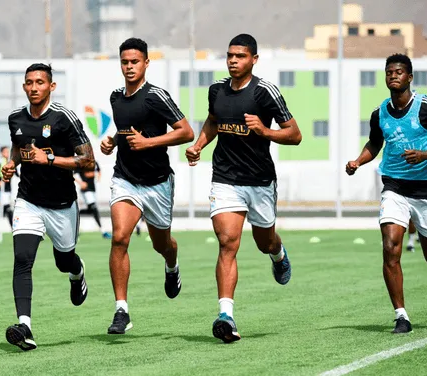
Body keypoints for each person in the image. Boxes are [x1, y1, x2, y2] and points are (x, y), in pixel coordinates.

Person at [185, 34, 300, 343]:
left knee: (264, 242)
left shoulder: (265, 93)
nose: (233, 60)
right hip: (224, 178)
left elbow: (295, 134)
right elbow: (213, 121)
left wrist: (265, 130)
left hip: (260, 181)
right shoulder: (217, 91)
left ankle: (277, 253)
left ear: (254, 60)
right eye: (230, 55)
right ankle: (226, 315)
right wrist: (198, 145)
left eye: (240, 56)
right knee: (227, 242)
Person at [346, 53, 427, 334]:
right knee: (390, 247)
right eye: (389, 72)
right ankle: (401, 315)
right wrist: (358, 162)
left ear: (409, 77)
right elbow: (374, 144)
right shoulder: (380, 113)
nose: (393, 76)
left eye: (398, 72)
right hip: (394, 186)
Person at [100, 37, 194, 335]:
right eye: (125, 62)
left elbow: (186, 132)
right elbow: (124, 129)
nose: (129, 67)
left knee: (161, 245)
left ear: (146, 64)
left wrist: (148, 142)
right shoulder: (116, 97)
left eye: (135, 62)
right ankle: (121, 310)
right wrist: (112, 141)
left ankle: (171, 265)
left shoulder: (157, 96)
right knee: (119, 238)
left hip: (157, 183)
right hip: (125, 178)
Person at [0, 63, 94, 351]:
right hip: (28, 201)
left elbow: (87, 160)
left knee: (64, 260)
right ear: (24, 86)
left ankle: (77, 274)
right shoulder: (15, 118)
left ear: (51, 87)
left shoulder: (64, 119)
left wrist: (50, 160)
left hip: (62, 205)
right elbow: (18, 146)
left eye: (40, 82)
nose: (34, 87)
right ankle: (24, 326)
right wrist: (12, 163)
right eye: (29, 82)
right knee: (23, 259)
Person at [74, 161, 112, 239]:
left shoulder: (94, 162)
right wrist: (81, 183)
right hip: (86, 190)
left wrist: (98, 178)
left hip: (93, 189)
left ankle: (75, 215)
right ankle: (103, 231)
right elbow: (74, 175)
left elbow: (98, 171)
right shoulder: (81, 162)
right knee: (94, 208)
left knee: (91, 210)